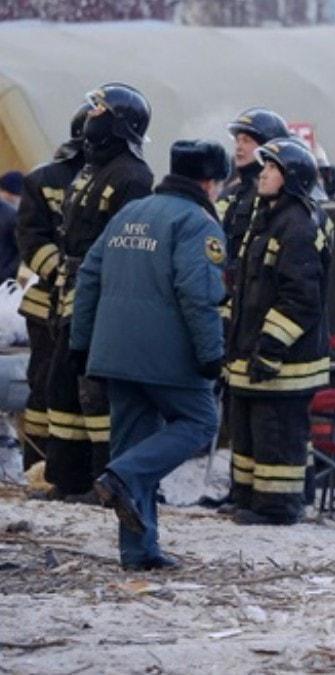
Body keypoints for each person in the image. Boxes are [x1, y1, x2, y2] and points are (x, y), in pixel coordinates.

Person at [71, 140, 228, 570]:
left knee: (134, 441)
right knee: (199, 421)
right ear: (211, 182)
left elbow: (88, 276)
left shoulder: (130, 213)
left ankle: (139, 552)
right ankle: (122, 477)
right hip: (166, 357)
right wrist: (211, 355)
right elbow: (198, 294)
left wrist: (81, 344)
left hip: (113, 352)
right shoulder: (198, 223)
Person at [44, 83, 154, 501]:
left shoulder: (132, 176)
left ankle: (105, 480)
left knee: (97, 392)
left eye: (100, 110)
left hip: (102, 297)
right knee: (63, 387)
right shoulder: (91, 168)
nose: (91, 116)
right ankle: (67, 477)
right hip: (70, 292)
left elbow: (125, 247)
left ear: (120, 122)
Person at [224, 138, 331, 526]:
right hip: (252, 350)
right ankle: (250, 499)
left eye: (272, 169)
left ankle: (277, 507)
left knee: (277, 432)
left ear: (292, 179)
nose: (262, 173)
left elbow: (301, 298)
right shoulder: (267, 216)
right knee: (251, 431)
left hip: (285, 360)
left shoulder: (297, 224)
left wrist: (270, 346)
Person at [14, 105, 89, 472]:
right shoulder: (43, 179)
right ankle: (38, 464)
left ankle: (73, 467)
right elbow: (30, 240)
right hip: (46, 305)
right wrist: (62, 275)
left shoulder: (112, 178)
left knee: (80, 390)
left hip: (87, 305)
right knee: (44, 387)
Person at [217, 108, 290, 295]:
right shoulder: (231, 193)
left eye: (247, 141)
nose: (239, 147)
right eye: (237, 140)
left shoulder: (280, 199)